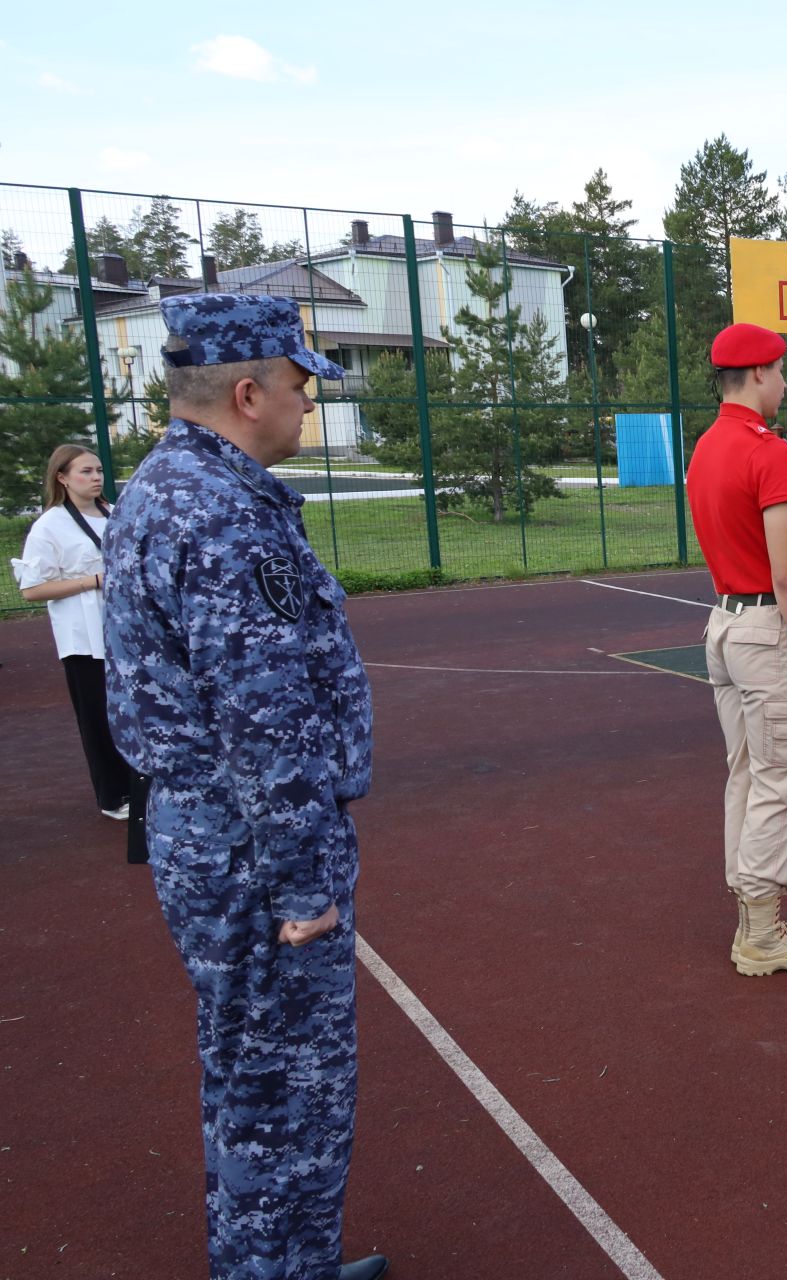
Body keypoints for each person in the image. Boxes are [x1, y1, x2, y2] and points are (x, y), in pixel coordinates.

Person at [101, 294, 387, 1280]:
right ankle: (279, 1268)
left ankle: (281, 1262)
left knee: (251, 1072)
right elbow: (263, 723)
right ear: (249, 391)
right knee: (288, 1087)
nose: (309, 400)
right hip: (251, 849)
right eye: (302, 382)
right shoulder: (225, 516)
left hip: (209, 830)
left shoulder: (164, 487)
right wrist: (306, 885)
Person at [687, 322, 787, 976]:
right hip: (764, 628)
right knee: (780, 781)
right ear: (756, 375)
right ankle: (761, 937)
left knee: (749, 774)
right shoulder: (769, 452)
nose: (785, 383)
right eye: (780, 372)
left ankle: (760, 915)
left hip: (723, 624)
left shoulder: (706, 447)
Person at [10, 445, 137, 832]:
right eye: (85, 471)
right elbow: (32, 589)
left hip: (125, 632)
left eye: (98, 470)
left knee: (134, 712)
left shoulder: (113, 514)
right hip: (84, 639)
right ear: (62, 477)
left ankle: (142, 786)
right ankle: (113, 796)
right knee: (98, 717)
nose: (96, 477)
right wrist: (93, 581)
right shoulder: (49, 526)